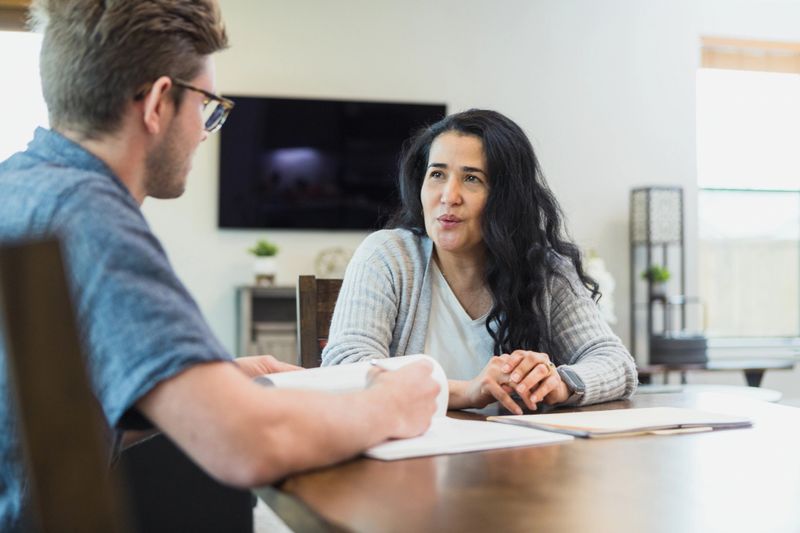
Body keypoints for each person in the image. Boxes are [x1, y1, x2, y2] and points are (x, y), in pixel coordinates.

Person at [0, 1, 439, 530]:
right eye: (209, 105)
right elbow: (248, 444)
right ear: (160, 102)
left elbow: (48, 416)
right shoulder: (92, 215)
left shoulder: (19, 187)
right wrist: (388, 404)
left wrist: (214, 381)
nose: (208, 130)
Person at [322, 109, 637, 414]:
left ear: (507, 196)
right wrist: (468, 391)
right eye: (437, 174)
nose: (448, 195)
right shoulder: (388, 255)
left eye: (471, 178)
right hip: (411, 458)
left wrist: (560, 383)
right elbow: (347, 368)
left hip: (515, 460)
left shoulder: (544, 270)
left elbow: (616, 362)